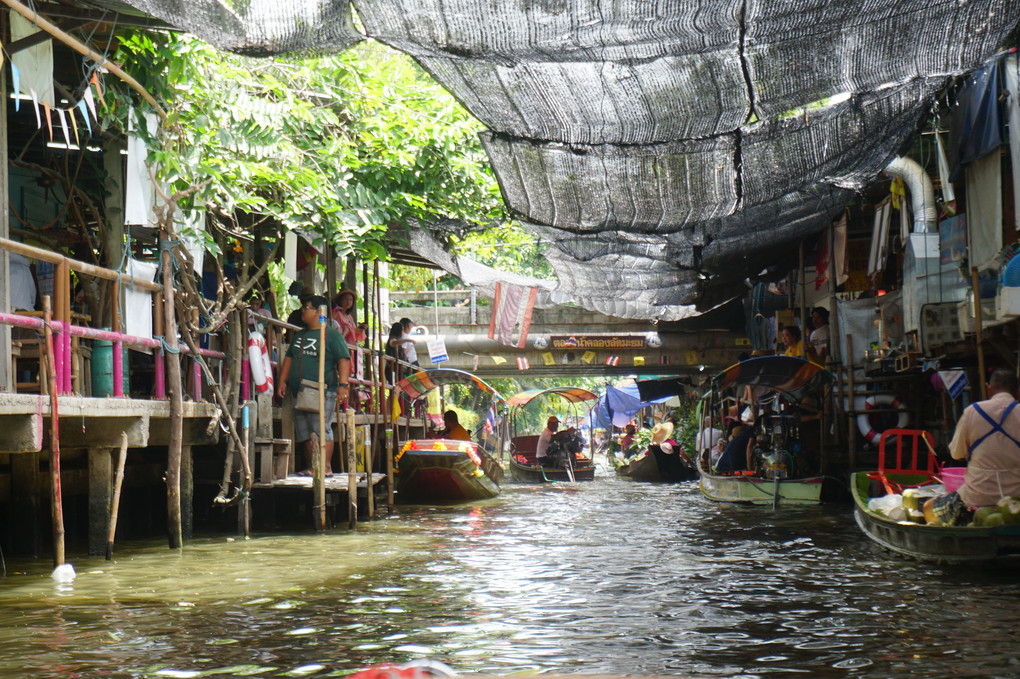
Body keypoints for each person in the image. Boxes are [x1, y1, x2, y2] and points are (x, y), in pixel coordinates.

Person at [924, 369, 1020, 525]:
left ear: (988, 388)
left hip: (976, 497)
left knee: (928, 507)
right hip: (1016, 500)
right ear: (1018, 392)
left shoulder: (972, 412)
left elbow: (956, 454)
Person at [277, 295, 351, 477]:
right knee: (304, 430)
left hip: (323, 390)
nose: (303, 311)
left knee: (320, 428)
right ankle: (313, 466)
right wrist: (282, 381)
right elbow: (289, 359)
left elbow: (344, 360)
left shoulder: (332, 335)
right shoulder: (300, 336)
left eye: (307, 307)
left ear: (319, 311)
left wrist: (343, 384)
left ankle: (325, 467)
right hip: (299, 390)